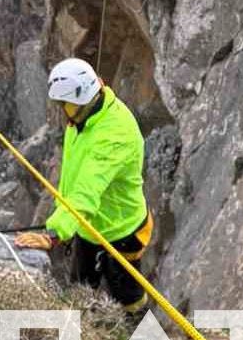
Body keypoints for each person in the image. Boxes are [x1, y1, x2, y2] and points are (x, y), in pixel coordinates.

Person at [16, 57, 152, 313]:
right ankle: (89, 331)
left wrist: (55, 232)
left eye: (63, 104)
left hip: (120, 231)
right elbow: (75, 174)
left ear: (79, 99)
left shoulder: (114, 137)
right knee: (80, 287)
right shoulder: (83, 118)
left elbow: (86, 191)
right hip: (87, 225)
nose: (61, 110)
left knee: (128, 295)